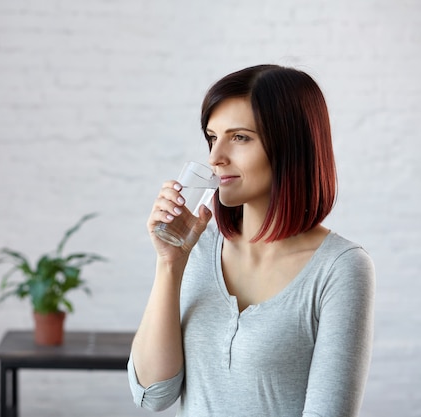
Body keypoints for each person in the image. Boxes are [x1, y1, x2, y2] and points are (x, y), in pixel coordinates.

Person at [127, 64, 375, 416]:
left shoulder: (341, 268)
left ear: (291, 146)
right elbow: (152, 395)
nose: (215, 158)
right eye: (213, 138)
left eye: (239, 137)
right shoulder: (198, 245)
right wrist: (169, 263)